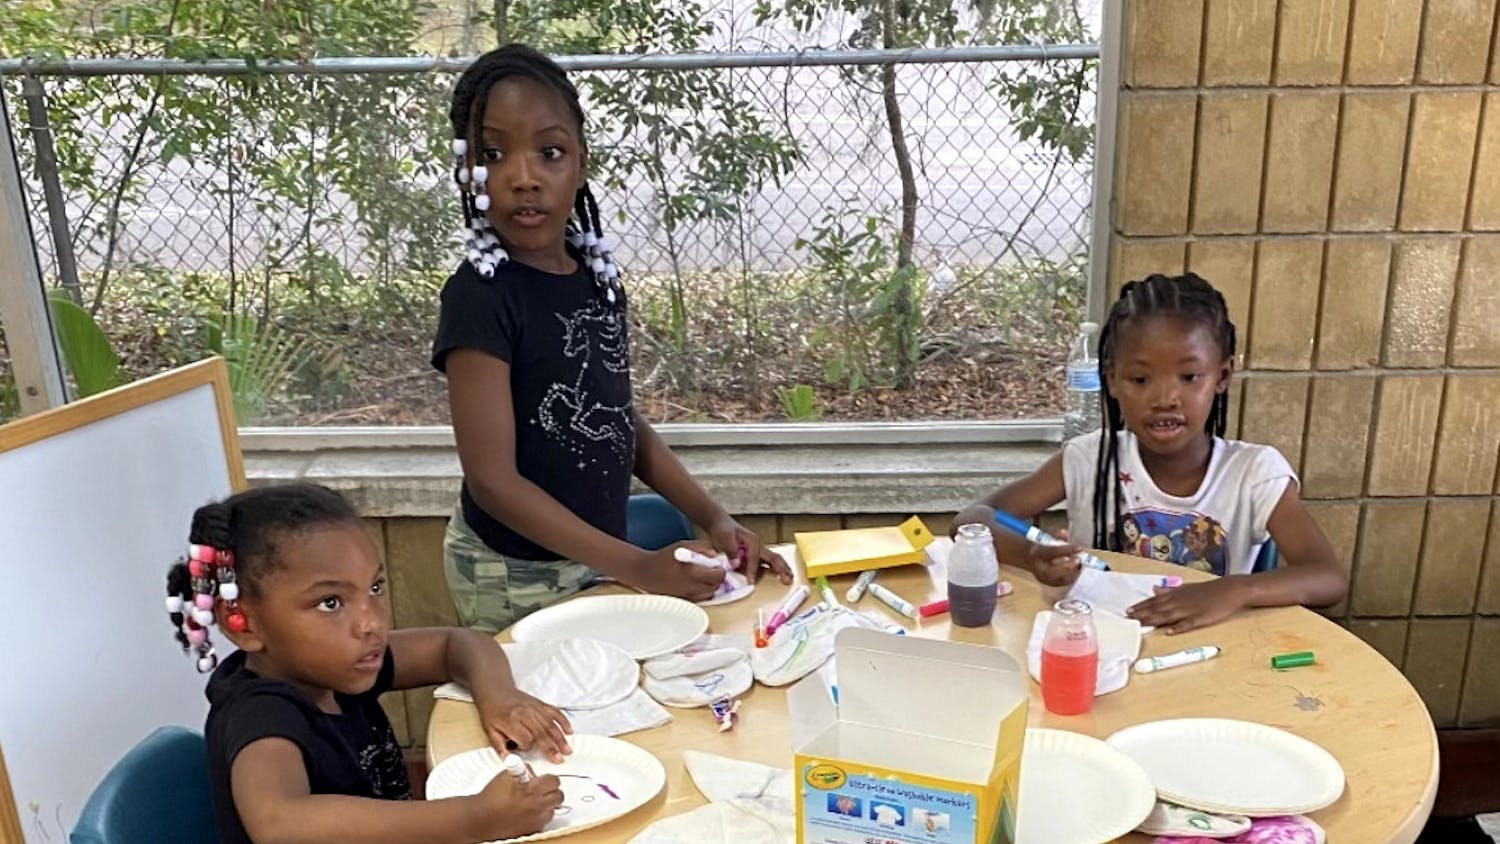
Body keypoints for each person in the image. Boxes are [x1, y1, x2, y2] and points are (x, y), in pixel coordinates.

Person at [431, 43, 790, 633]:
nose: (523, 177)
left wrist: (715, 518)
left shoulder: (592, 274)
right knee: (549, 708)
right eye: (495, 154)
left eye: (549, 152)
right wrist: (638, 567)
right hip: (514, 572)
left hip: (597, 554)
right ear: (469, 167)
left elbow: (618, 419)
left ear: (580, 163)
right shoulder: (481, 296)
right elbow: (493, 483)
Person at [165, 484, 568, 843]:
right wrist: (473, 819)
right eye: (330, 603)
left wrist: (500, 697)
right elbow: (279, 823)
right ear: (243, 624)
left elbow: (456, 644)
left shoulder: (337, 665)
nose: (370, 622)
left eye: (374, 588)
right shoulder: (260, 713)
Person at [954, 273, 1347, 634]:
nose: (1164, 399)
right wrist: (1031, 556)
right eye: (1140, 379)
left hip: (1214, 660)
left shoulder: (1253, 474)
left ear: (1222, 376)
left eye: (1189, 377)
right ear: (1111, 381)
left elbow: (1327, 578)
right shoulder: (1089, 460)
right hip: (1101, 650)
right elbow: (971, 520)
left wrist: (1233, 591)